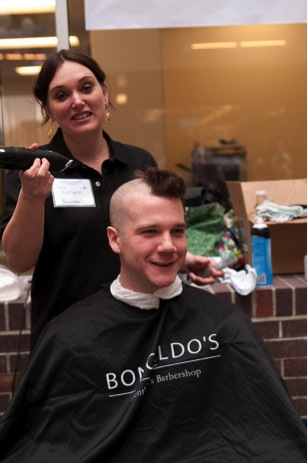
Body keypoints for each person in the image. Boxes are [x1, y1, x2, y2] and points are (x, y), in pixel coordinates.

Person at [0, 167, 305, 463]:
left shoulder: (226, 322)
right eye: (150, 232)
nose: (169, 246)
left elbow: (272, 435)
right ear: (114, 239)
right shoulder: (68, 337)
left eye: (178, 231)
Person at [0, 49, 220, 350]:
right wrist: (32, 196)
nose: (77, 100)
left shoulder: (140, 163)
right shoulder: (33, 173)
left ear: (104, 93)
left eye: (86, 87)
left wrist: (183, 259)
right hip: (68, 338)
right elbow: (19, 260)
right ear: (49, 110)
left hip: (141, 329)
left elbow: (146, 237)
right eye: (61, 95)